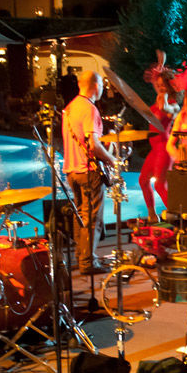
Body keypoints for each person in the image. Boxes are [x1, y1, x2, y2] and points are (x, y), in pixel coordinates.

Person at [62, 71, 119, 275]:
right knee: (92, 218)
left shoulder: (70, 108)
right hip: (88, 171)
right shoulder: (89, 108)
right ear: (96, 86)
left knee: (81, 216)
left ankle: (82, 256)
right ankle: (88, 262)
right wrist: (111, 159)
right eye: (102, 85)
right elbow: (93, 145)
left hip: (71, 170)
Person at [139, 52, 180, 222]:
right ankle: (152, 215)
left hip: (164, 147)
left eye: (163, 85)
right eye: (158, 85)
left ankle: (177, 216)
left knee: (160, 184)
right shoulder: (157, 100)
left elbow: (167, 110)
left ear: (170, 87)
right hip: (154, 149)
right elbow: (156, 80)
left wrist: (164, 102)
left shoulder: (173, 105)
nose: (160, 87)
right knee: (143, 180)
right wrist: (160, 64)